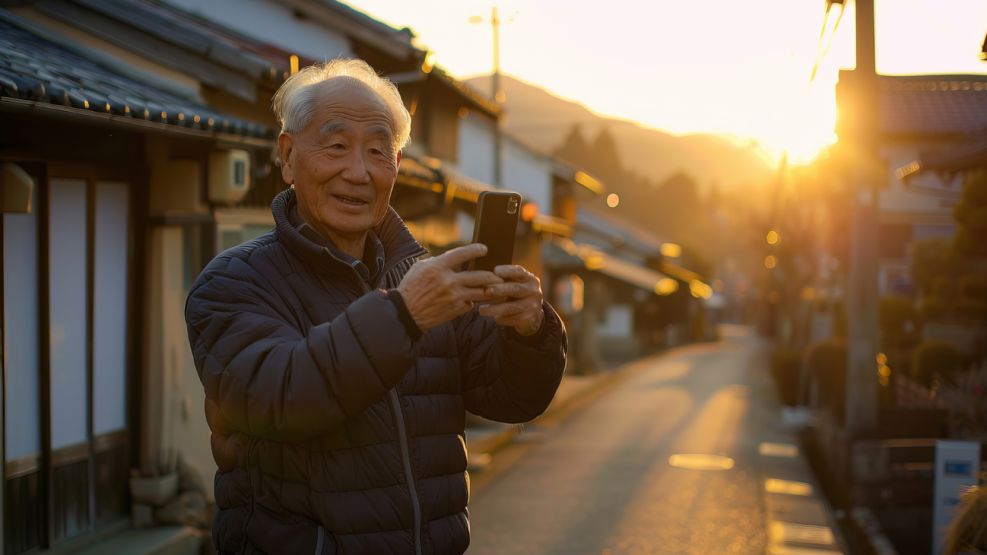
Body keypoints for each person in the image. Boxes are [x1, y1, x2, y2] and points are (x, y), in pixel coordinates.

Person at [185, 58, 567, 554]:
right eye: (337, 146)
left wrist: (529, 331)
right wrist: (404, 316)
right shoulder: (235, 281)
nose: (359, 172)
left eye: (378, 152)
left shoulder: (425, 279)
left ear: (397, 167)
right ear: (288, 156)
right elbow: (278, 400)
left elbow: (513, 400)